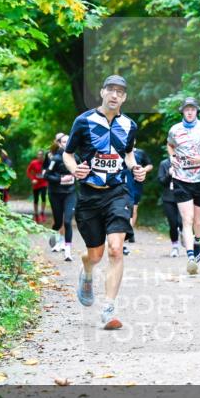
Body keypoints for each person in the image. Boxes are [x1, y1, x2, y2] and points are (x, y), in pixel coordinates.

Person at [63, 75, 147, 330]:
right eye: (110, 90)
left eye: (120, 92)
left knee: (115, 249)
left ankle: (108, 309)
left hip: (117, 192)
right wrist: (75, 168)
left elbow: (128, 153)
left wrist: (135, 168)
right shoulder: (84, 121)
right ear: (102, 92)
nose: (114, 95)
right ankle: (87, 272)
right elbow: (68, 154)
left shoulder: (129, 125)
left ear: (124, 98)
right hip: (89, 194)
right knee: (95, 255)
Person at [167, 97, 200, 275]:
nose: (190, 112)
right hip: (181, 179)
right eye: (186, 109)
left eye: (193, 109)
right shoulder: (175, 130)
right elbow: (170, 145)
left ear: (197, 111)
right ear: (182, 111)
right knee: (187, 219)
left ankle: (197, 241)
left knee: (198, 221)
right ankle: (190, 257)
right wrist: (172, 157)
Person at [44, 133, 77, 262]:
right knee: (58, 222)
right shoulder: (55, 159)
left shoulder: (75, 157)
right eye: (64, 142)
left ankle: (68, 252)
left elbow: (84, 169)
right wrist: (61, 179)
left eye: (69, 141)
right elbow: (47, 175)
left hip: (70, 193)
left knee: (68, 222)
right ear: (59, 144)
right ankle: (54, 238)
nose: (67, 144)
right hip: (55, 194)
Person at [122, 147, 154, 255]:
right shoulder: (117, 149)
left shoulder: (140, 152)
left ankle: (129, 232)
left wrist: (142, 171)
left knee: (133, 210)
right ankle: (122, 237)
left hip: (135, 185)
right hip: (120, 185)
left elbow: (150, 165)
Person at [157, 155, 181, 257]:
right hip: (168, 198)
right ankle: (175, 246)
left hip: (182, 197)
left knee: (183, 221)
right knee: (173, 224)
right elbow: (161, 181)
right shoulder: (164, 164)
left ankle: (185, 235)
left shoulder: (184, 162)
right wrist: (169, 173)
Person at [26, 150, 48, 223]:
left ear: (43, 156)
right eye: (38, 154)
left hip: (44, 183)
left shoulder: (46, 163)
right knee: (36, 199)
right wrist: (32, 179)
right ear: (37, 155)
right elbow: (28, 171)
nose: (40, 156)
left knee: (43, 197)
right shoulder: (33, 163)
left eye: (41, 155)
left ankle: (42, 213)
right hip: (36, 183)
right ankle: (36, 214)